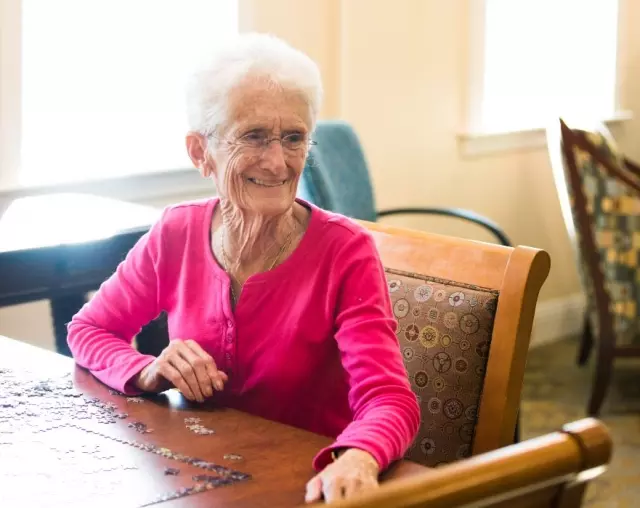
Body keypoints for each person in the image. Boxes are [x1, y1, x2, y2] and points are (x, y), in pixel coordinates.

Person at [67, 32, 420, 504]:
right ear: (200, 152)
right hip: (199, 478)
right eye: (253, 136)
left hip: (307, 484)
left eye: (293, 138)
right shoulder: (176, 234)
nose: (277, 163)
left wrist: (359, 455)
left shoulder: (344, 251)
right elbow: (89, 330)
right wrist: (146, 371)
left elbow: (389, 399)